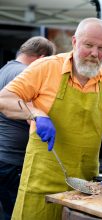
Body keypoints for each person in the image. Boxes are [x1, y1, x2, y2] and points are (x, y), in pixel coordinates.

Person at [0, 18, 102, 220]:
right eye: (88, 45)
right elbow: (5, 98)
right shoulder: (46, 67)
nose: (95, 53)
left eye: (101, 48)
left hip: (84, 185)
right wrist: (37, 114)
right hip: (41, 181)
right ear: (75, 42)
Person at [0, 36, 56, 220]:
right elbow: (31, 117)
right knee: (17, 212)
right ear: (41, 59)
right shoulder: (24, 75)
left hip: (3, 156)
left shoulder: (4, 70)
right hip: (13, 159)